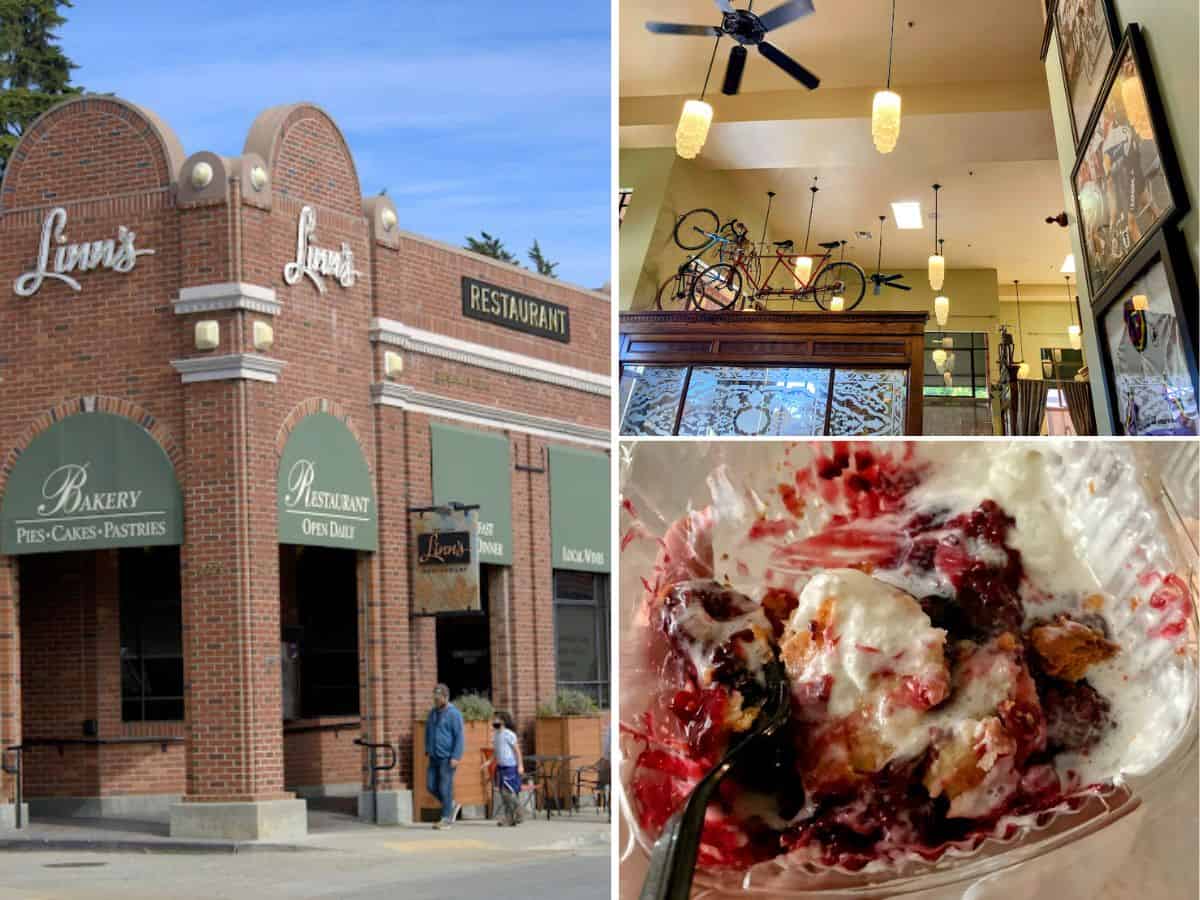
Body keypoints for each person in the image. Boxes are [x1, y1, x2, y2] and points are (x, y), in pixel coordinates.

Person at [425, 684, 464, 829]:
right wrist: (427, 748)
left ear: (446, 697)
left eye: (438, 698)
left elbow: (459, 737)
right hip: (433, 756)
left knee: (444, 788)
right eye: (434, 698)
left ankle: (446, 819)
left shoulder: (454, 714)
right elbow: (428, 731)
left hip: (447, 757)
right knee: (430, 786)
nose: (435, 701)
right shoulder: (433, 713)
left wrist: (456, 756)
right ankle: (451, 805)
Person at [484, 710, 524, 826]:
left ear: (503, 721)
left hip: (510, 767)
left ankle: (519, 809)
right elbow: (496, 751)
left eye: (495, 719)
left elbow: (517, 751)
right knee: (503, 793)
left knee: (508, 793)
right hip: (500, 767)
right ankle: (509, 818)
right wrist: (489, 761)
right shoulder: (495, 735)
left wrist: (520, 765)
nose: (493, 721)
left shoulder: (509, 734)